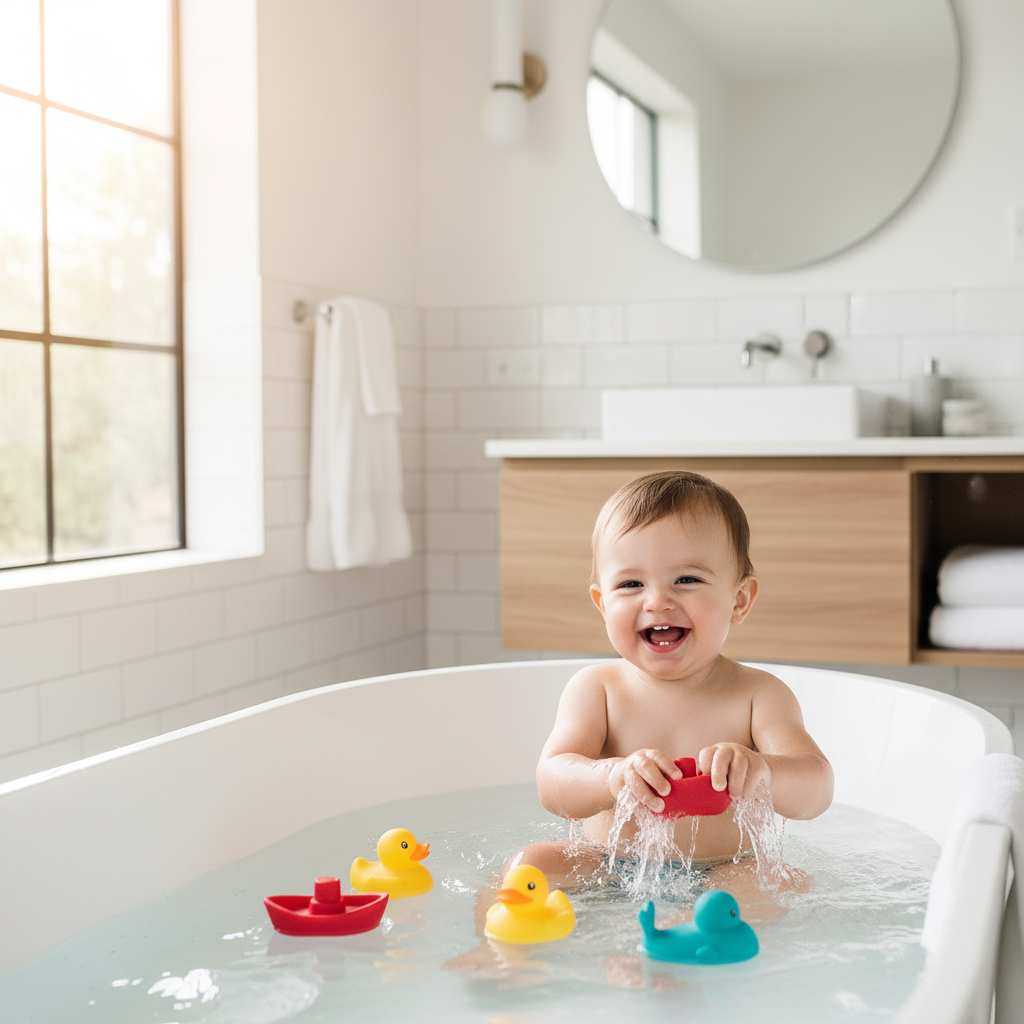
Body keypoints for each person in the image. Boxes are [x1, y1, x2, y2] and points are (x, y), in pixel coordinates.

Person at [522, 469, 834, 886]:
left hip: (725, 870)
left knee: (776, 879)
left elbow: (817, 789)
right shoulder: (597, 689)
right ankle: (494, 952)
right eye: (631, 583)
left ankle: (688, 938)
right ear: (602, 603)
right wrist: (611, 776)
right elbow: (553, 785)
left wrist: (762, 771)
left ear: (739, 600)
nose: (657, 601)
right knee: (530, 865)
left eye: (687, 580)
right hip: (608, 865)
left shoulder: (758, 695)